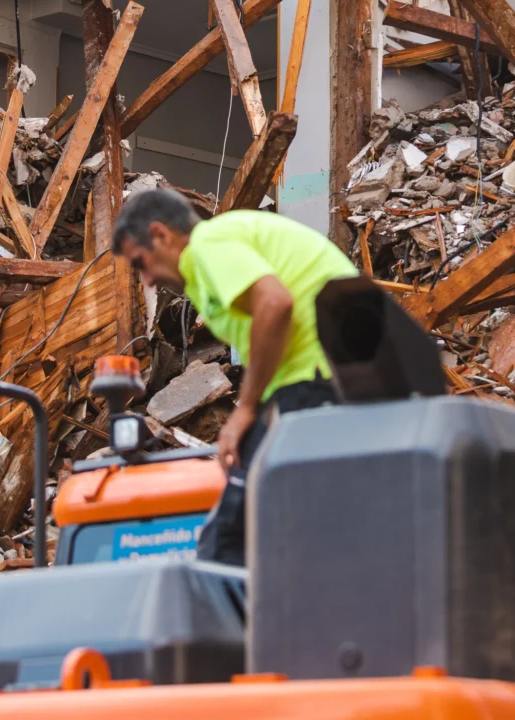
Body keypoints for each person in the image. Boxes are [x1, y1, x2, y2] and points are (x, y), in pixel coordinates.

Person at [112, 188, 358, 565]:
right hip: (332, 380)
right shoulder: (216, 256)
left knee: (231, 538)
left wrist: (245, 410)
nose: (146, 280)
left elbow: (275, 303)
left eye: (141, 263)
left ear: (161, 235)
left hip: (322, 381)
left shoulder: (208, 245)